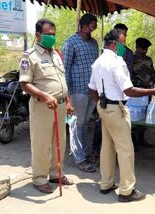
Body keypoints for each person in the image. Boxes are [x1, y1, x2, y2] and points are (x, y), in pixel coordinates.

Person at [88, 29, 155, 202]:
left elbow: (92, 89)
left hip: (104, 107)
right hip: (115, 108)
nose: (125, 47)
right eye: (123, 43)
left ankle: (106, 183)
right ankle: (127, 190)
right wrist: (153, 91)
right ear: (114, 44)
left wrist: (101, 104)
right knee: (125, 149)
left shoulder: (98, 61)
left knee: (106, 147)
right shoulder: (117, 62)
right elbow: (128, 90)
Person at [19, 19, 74, 194]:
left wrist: (68, 101)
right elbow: (24, 84)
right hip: (42, 106)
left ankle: (55, 173)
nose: (52, 37)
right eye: (48, 34)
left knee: (60, 142)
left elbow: (61, 80)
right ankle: (40, 178)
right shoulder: (30, 56)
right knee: (41, 143)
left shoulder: (56, 54)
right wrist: (44, 96)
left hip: (60, 105)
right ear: (38, 35)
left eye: (53, 34)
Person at [62, 14, 98, 173]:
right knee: (77, 124)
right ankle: (80, 159)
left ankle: (84, 153)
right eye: (91, 25)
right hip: (77, 90)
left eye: (95, 25)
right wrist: (67, 96)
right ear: (83, 25)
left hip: (92, 91)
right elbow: (65, 70)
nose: (93, 28)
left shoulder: (94, 43)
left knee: (84, 124)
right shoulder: (70, 43)